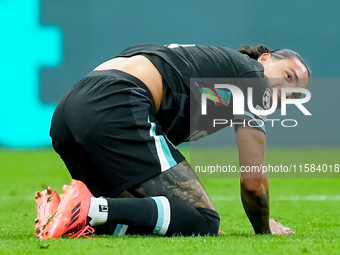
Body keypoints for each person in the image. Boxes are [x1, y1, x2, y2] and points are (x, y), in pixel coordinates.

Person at [34, 43, 310, 239]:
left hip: (70, 110)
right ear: (264, 60)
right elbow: (253, 181)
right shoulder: (253, 78)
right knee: (205, 221)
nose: (286, 92)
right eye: (288, 77)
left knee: (174, 220)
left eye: (295, 95)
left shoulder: (217, 77)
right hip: (116, 100)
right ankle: (88, 208)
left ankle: (64, 212)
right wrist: (264, 229)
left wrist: (185, 219)